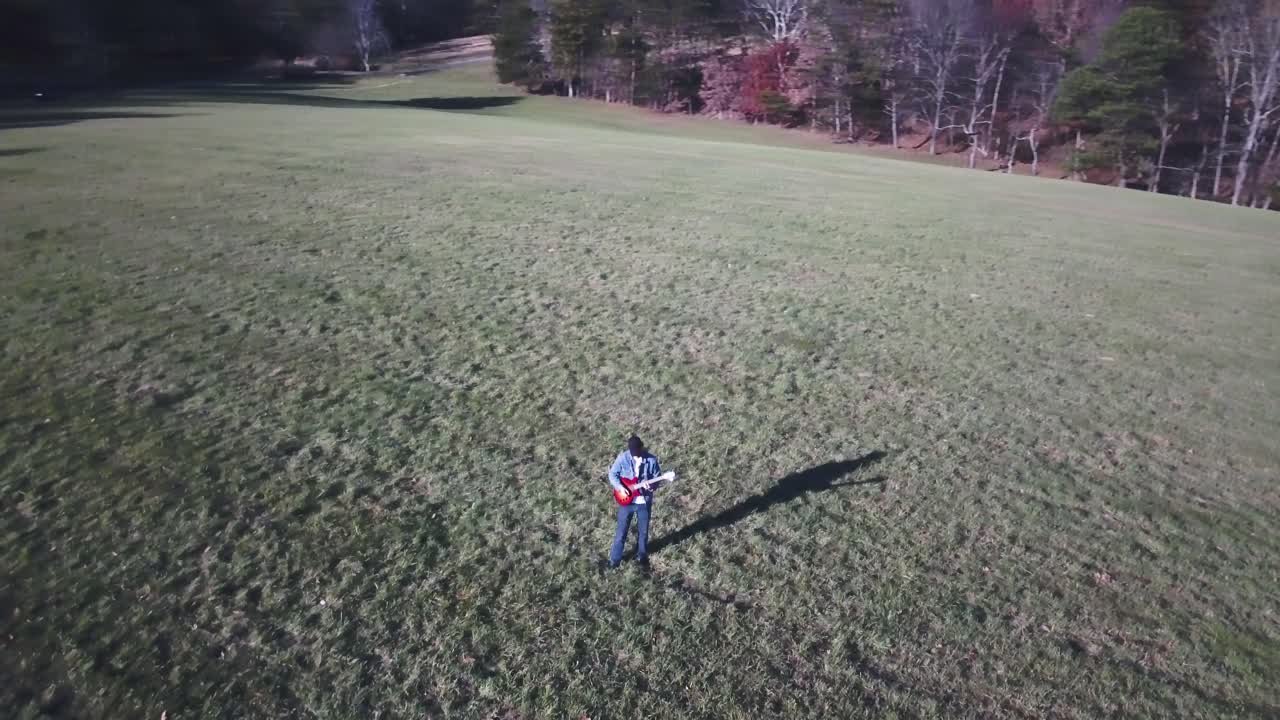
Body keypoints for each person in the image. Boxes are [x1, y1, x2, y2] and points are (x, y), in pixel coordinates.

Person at [607, 435, 660, 569]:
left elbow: (656, 479)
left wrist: (652, 486)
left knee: (643, 532)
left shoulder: (651, 460)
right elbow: (612, 474)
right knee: (621, 532)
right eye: (633, 453)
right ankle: (615, 560)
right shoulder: (623, 458)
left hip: (644, 501)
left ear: (641, 448)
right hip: (626, 502)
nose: (635, 456)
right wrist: (621, 488)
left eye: (637, 452)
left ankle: (641, 556)